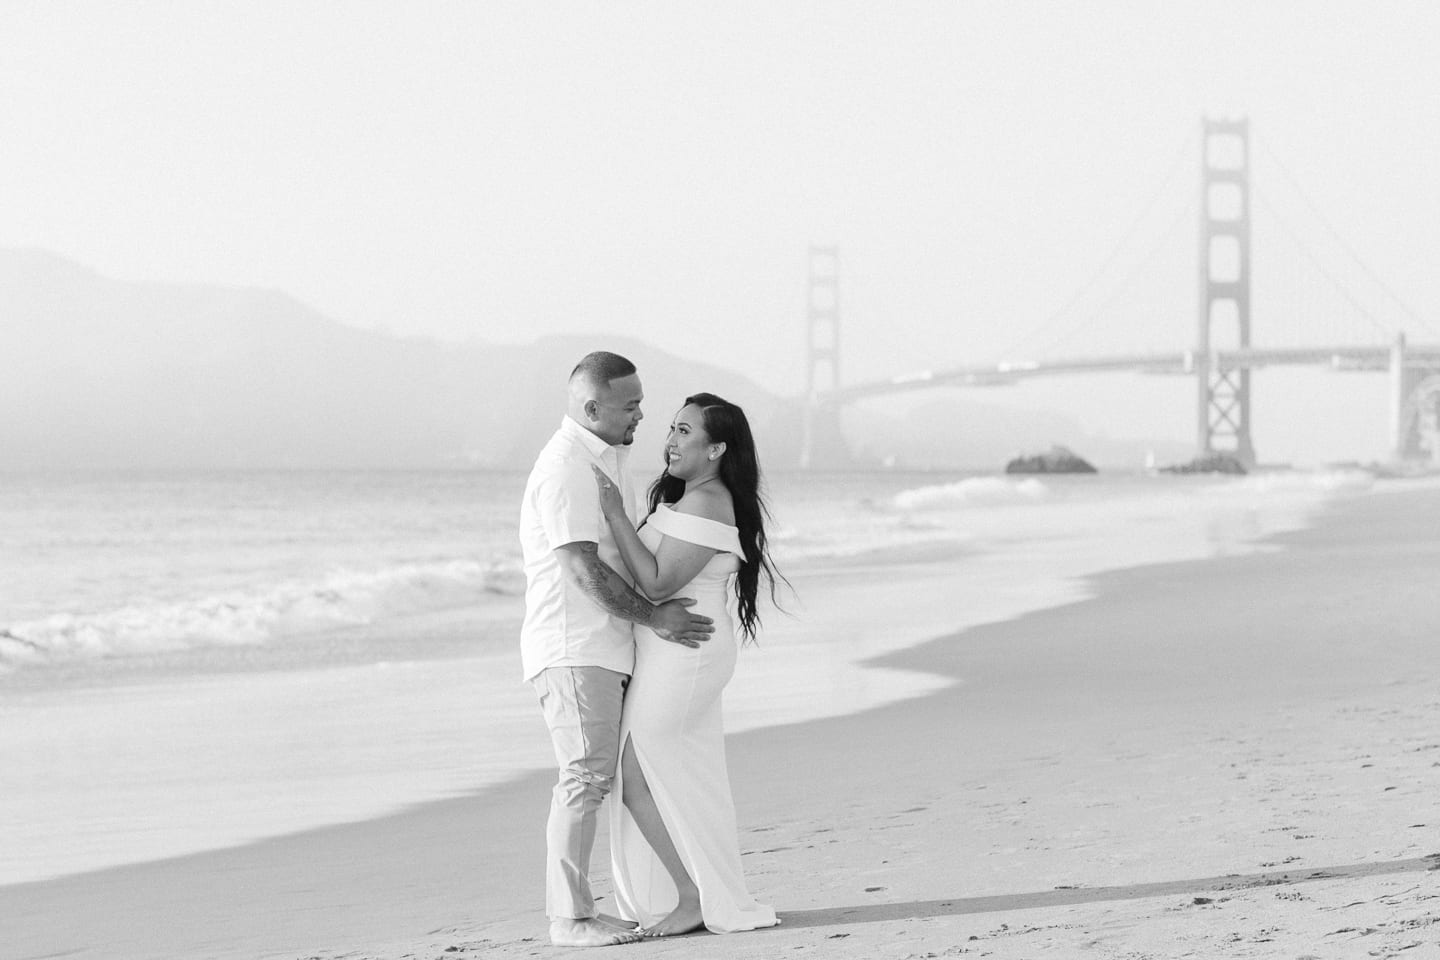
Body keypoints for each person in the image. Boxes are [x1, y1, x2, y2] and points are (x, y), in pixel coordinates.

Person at [518, 351, 715, 949]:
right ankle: (570, 919)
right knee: (584, 777)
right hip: (574, 647)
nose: (641, 415)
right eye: (631, 405)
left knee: (601, 776)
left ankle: (607, 905)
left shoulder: (603, 462)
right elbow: (580, 569)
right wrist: (655, 617)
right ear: (591, 407)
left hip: (603, 646)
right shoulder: (567, 469)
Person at [590, 392, 783, 937]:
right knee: (678, 775)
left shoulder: (709, 501)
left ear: (717, 448)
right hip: (670, 649)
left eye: (684, 432)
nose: (670, 441)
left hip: (687, 653)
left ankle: (692, 896)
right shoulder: (690, 498)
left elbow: (656, 581)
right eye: (671, 429)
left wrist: (612, 515)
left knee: (635, 773)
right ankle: (694, 890)